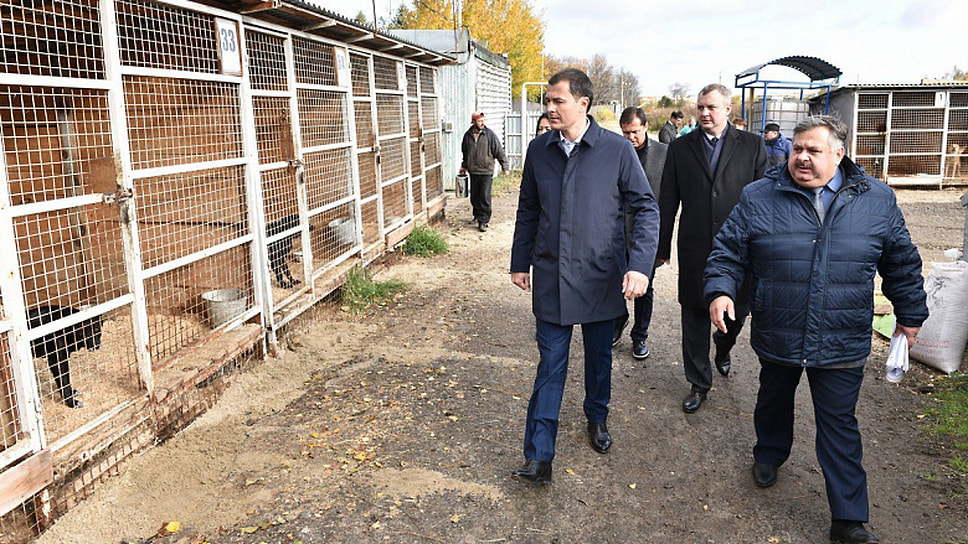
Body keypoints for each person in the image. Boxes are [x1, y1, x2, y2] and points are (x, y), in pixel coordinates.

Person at [704, 115, 928, 544]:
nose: (801, 158)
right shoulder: (759, 196)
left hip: (841, 334)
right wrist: (720, 290)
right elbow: (728, 250)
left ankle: (848, 518)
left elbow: (901, 262)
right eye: (797, 149)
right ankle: (769, 453)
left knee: (840, 424)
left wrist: (910, 315)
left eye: (813, 151)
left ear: (839, 154)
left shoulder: (876, 200)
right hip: (780, 327)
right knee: (773, 399)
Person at [509, 69, 659, 484]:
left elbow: (646, 208)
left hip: (600, 276)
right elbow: (528, 209)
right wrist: (520, 261)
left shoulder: (615, 150)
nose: (549, 108)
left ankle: (597, 416)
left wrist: (638, 266)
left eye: (558, 101)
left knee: (598, 358)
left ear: (583, 103)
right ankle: (539, 456)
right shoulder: (539, 151)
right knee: (550, 365)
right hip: (553, 274)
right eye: (547, 101)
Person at [657, 83, 766, 414]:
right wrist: (661, 247)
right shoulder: (680, 148)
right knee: (693, 315)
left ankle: (724, 346)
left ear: (728, 110)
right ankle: (699, 382)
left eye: (712, 108)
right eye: (700, 107)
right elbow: (667, 201)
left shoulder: (752, 146)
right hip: (695, 246)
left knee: (737, 313)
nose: (704, 113)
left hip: (740, 250)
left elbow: (766, 201)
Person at [614, 106, 668, 360]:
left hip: (646, 236)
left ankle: (640, 336)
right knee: (614, 283)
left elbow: (668, 204)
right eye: (625, 132)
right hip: (615, 233)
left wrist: (663, 246)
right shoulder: (615, 151)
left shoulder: (664, 155)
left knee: (644, 289)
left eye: (634, 132)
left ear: (645, 126)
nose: (630, 137)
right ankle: (618, 322)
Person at [460, 112, 509, 232]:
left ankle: (484, 221)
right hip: (473, 171)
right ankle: (477, 216)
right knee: (475, 196)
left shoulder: (489, 135)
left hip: (486, 171)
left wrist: (505, 166)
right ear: (473, 122)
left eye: (483, 121)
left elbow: (499, 151)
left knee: (484, 197)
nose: (482, 123)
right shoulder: (468, 135)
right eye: (479, 121)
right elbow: (465, 153)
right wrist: (464, 166)